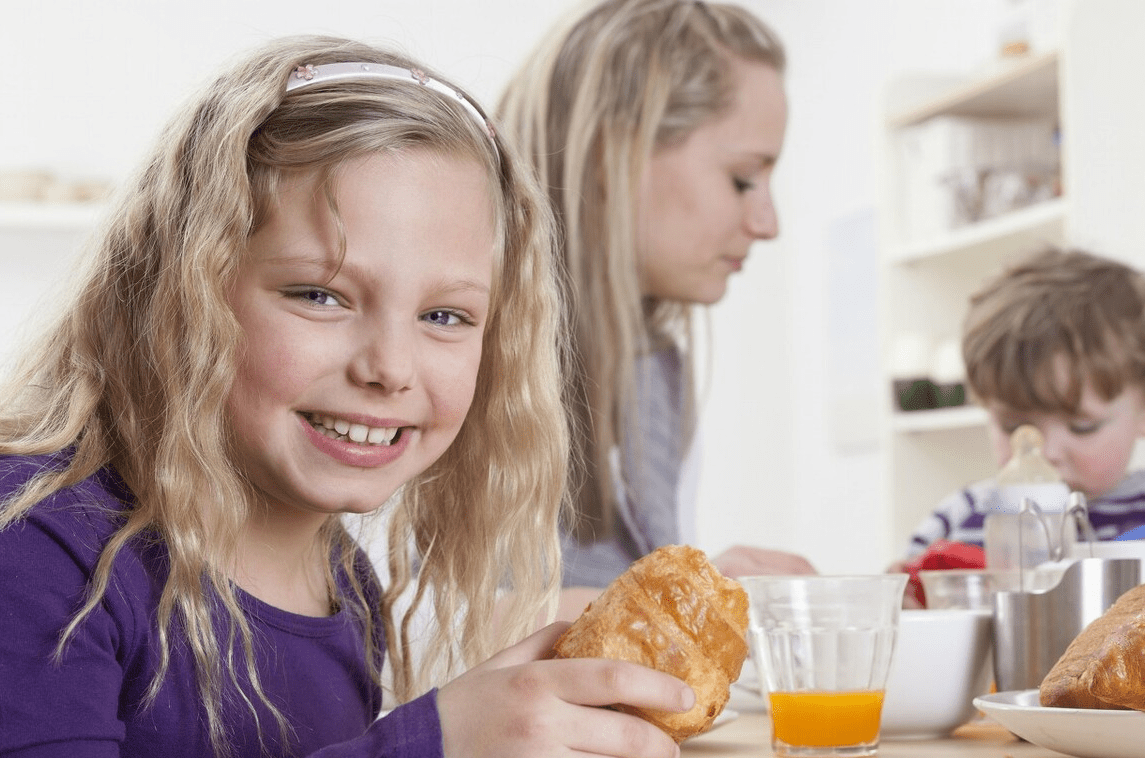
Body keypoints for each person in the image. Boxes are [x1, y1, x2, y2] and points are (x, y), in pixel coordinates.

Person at [0, 35, 696, 758]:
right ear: (177, 294)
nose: (390, 368)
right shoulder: (34, 546)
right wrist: (432, 744)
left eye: (444, 317)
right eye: (320, 295)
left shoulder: (342, 583)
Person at [497, 0, 814, 614]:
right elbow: (411, 624)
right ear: (614, 156)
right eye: (744, 179)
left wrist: (692, 601)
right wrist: (672, 600)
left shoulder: (658, 370)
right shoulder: (456, 347)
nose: (766, 222)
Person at [904, 248, 1145, 559]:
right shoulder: (957, 522)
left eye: (1082, 427)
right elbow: (912, 596)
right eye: (1014, 426)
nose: (1044, 454)